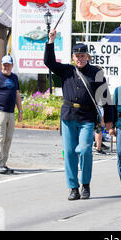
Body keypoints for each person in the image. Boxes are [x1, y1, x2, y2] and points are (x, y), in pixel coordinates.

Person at [44, 30, 113, 200]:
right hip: (68, 116)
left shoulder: (96, 73)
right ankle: (73, 187)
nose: (80, 58)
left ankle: (86, 184)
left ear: (87, 56)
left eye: (83, 55)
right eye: (77, 56)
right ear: (73, 57)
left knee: (84, 150)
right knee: (69, 153)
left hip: (86, 117)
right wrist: (50, 42)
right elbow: (49, 62)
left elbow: (106, 97)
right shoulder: (66, 70)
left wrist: (110, 120)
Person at [0, 55, 23, 175]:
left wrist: (20, 111)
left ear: (12, 65)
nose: (6, 67)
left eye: (8, 64)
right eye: (4, 64)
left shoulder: (14, 78)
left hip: (11, 111)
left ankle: (3, 162)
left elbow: (17, 94)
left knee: (8, 138)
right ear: (1, 65)